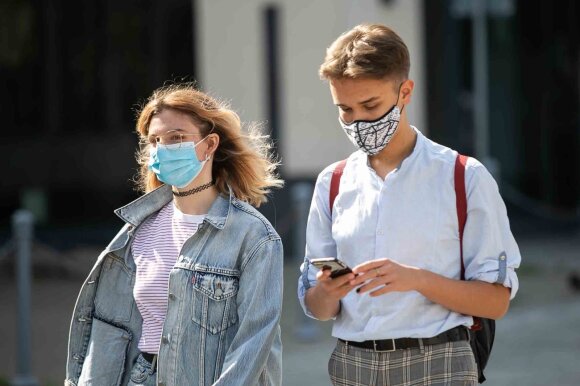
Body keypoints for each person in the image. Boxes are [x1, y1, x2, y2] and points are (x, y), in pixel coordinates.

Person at [298, 24, 521, 385]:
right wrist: (326, 292)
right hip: (351, 364)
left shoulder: (464, 177)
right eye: (345, 110)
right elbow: (318, 309)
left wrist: (416, 279)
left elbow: (495, 303)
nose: (358, 122)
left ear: (405, 92)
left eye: (370, 105)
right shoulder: (332, 182)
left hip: (439, 360)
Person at [66, 83, 284, 386]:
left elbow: (255, 341)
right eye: (155, 140)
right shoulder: (137, 228)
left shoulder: (254, 236)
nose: (162, 149)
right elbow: (109, 331)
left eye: (177, 138)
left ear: (209, 145)